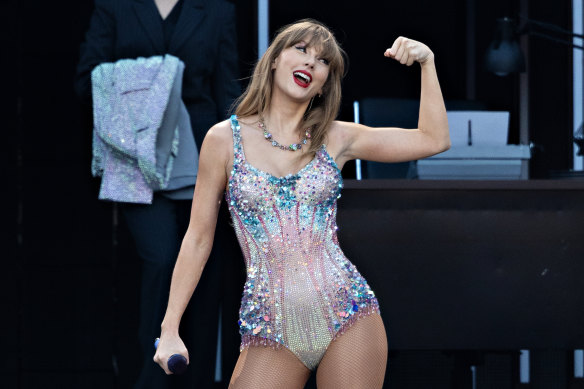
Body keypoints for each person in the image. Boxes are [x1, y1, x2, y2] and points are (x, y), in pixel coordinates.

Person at [154, 19, 450, 389]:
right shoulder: (223, 139)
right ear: (275, 60)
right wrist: (170, 327)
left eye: (323, 60)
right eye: (301, 50)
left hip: (348, 316)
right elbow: (198, 239)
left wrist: (428, 62)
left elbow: (433, 139)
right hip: (271, 327)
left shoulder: (337, 137)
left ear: (326, 82)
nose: (311, 62)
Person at [74, 0, 240, 387]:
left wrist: (236, 166)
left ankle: (197, 378)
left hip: (200, 156)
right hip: (133, 157)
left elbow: (227, 93)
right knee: (161, 257)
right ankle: (152, 377)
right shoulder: (114, 6)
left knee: (207, 270)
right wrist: (155, 83)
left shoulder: (217, 10)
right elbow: (86, 80)